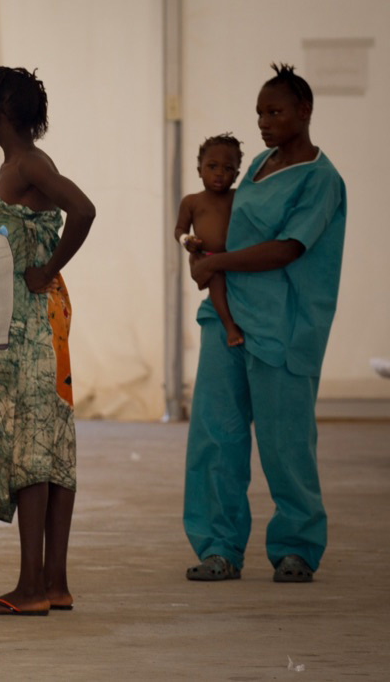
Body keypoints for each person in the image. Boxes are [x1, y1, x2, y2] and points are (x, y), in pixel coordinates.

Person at [185, 63, 346, 583]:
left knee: (286, 441)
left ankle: (296, 547)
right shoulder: (255, 165)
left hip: (284, 327)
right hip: (227, 318)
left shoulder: (321, 180)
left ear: (305, 111)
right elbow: (227, 225)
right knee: (216, 436)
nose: (263, 122)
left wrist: (216, 264)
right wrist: (202, 250)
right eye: (259, 113)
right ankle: (219, 548)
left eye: (275, 112)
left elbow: (286, 249)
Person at [0, 67, 95, 617]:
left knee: (31, 448)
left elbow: (84, 210)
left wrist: (48, 268)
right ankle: (54, 583)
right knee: (52, 444)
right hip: (30, 321)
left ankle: (30, 588)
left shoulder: (27, 165)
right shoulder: (25, 164)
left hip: (28, 324)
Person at [176, 134, 245, 346]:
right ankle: (229, 327)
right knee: (216, 283)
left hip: (235, 258)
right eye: (212, 166)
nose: (219, 173)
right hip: (207, 257)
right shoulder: (192, 202)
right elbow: (179, 230)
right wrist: (187, 240)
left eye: (228, 169)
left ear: (236, 175)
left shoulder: (238, 197)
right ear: (199, 170)